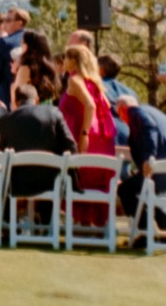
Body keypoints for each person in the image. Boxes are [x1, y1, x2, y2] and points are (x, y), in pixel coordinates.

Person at [58, 43, 117, 228]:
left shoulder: (75, 80)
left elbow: (90, 105)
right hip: (102, 138)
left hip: (85, 134)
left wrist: (84, 134)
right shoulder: (94, 81)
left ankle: (82, 224)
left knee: (80, 179)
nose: (64, 61)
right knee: (95, 183)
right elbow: (106, 106)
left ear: (73, 61)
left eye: (66, 57)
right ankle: (90, 225)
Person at [0, 85, 77, 200]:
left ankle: (9, 217)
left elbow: (3, 151)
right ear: (37, 100)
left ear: (16, 102)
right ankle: (45, 217)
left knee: (5, 174)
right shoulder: (53, 113)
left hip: (19, 184)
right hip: (51, 183)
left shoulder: (5, 122)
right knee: (50, 172)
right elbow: (71, 145)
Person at [114, 95, 166, 243]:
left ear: (123, 109)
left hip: (158, 166)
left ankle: (144, 233)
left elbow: (150, 127)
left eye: (119, 114)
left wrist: (149, 157)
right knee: (153, 194)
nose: (122, 120)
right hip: (163, 167)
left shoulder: (135, 112)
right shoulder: (152, 111)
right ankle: (162, 234)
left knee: (125, 190)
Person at [0, 7, 27, 115]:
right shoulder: (34, 39)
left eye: (8, 20)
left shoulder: (4, 43)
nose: (4, 23)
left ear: (19, 23)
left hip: (6, 98)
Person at [11, 29, 59, 105]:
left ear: (27, 46)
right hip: (47, 110)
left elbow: (17, 98)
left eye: (22, 42)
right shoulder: (49, 68)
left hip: (29, 112)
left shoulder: (25, 69)